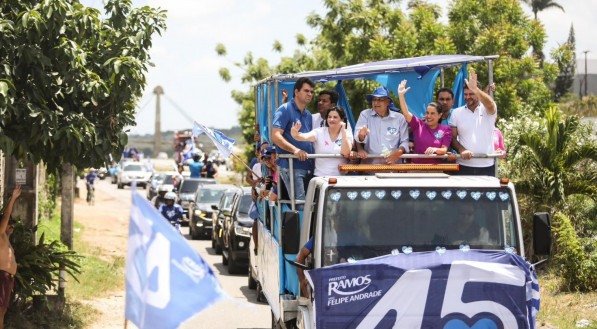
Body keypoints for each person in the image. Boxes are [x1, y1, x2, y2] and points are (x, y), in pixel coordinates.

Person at [271, 77, 315, 203]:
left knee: (311, 206)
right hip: (291, 166)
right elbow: (275, 136)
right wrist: (295, 150)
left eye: (311, 92)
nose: (310, 94)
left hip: (307, 166)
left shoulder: (308, 115)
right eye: (306, 91)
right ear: (296, 92)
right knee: (300, 205)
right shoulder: (285, 109)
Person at [450, 71, 498, 176]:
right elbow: (452, 138)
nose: (468, 97)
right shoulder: (456, 112)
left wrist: (476, 89)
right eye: (466, 94)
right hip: (463, 166)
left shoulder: (487, 110)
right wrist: (461, 150)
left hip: (487, 165)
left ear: (478, 93)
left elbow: (490, 104)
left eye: (471, 94)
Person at [397, 80, 452, 164]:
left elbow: (444, 149)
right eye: (427, 113)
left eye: (432, 113)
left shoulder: (446, 129)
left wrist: (435, 149)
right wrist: (401, 96)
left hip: (436, 170)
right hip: (416, 169)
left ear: (440, 115)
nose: (428, 116)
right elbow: (406, 113)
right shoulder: (418, 125)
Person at [291, 106, 353, 176]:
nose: (331, 119)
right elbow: (302, 137)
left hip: (341, 179)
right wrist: (295, 134)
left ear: (342, 120)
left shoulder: (347, 133)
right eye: (329, 117)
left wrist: (343, 132)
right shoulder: (319, 132)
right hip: (320, 178)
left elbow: (346, 152)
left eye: (335, 117)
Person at [354, 86, 409, 164]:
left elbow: (405, 141)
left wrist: (399, 151)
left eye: (380, 100)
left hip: (393, 166)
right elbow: (357, 138)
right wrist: (361, 136)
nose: (376, 102)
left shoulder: (399, 118)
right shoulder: (365, 114)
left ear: (388, 102)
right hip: (370, 166)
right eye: (374, 99)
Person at [0, 185, 22, 327]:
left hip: (7, 278)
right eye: (8, 223)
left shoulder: (4, 237)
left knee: (2, 312)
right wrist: (13, 199)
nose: (10, 224)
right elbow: (6, 216)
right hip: (2, 276)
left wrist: (8, 234)